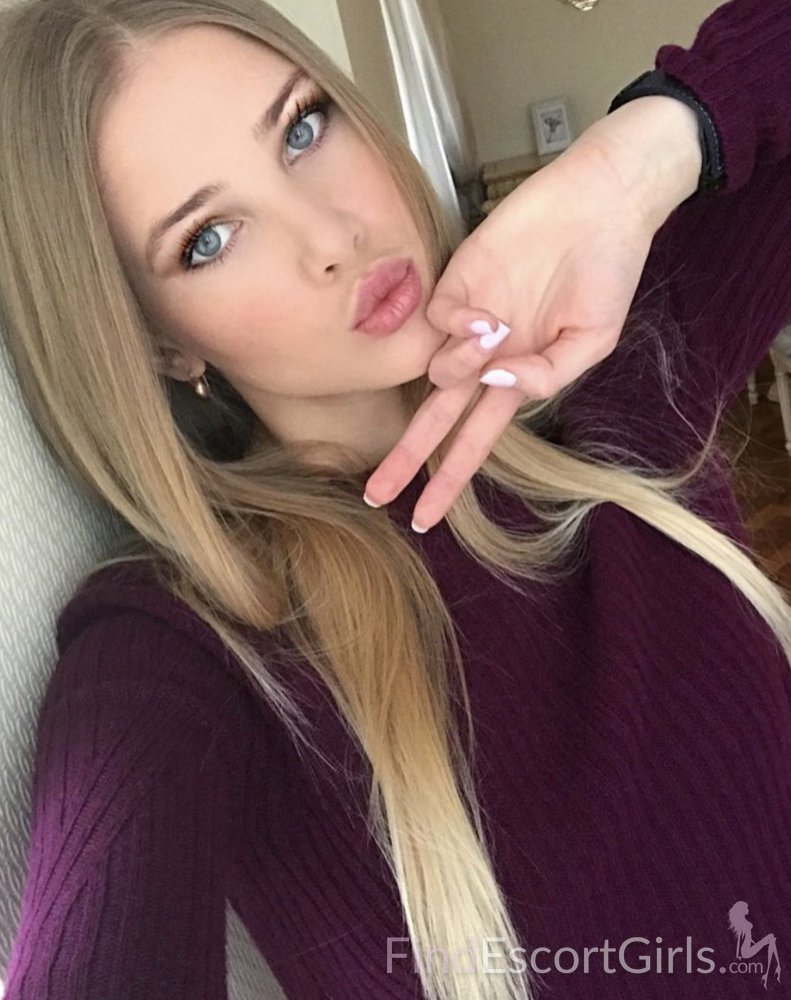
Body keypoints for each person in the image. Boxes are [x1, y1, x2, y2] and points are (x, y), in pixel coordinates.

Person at [0, 0, 788, 997]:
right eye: (208, 238)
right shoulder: (182, 652)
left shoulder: (614, 364)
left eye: (301, 127)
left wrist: (633, 158)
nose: (330, 234)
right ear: (162, 343)